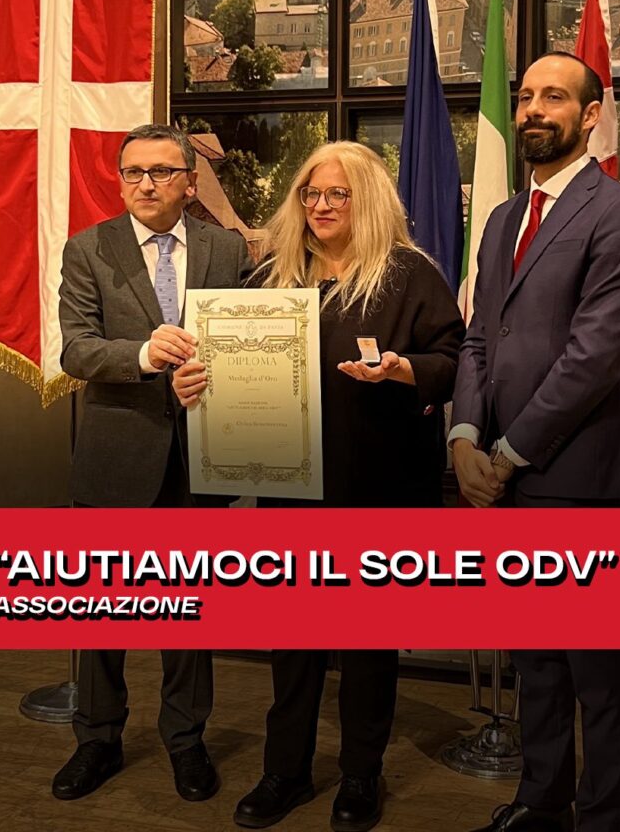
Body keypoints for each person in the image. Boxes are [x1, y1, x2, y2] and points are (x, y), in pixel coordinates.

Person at [173, 141, 465, 831]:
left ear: (369, 201)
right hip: (291, 488)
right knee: (293, 644)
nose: (321, 205)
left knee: (368, 646)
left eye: (338, 193)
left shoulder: (408, 274)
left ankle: (361, 775)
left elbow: (454, 359)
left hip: (380, 486)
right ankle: (285, 772)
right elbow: (224, 362)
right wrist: (194, 383)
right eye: (311, 193)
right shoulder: (271, 275)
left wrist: (402, 369)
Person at [450, 52, 620, 832]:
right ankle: (541, 804)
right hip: (495, 472)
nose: (534, 109)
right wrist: (463, 437)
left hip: (575, 479)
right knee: (533, 658)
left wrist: (505, 456)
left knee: (594, 672)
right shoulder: (503, 217)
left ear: (590, 114)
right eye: (526, 97)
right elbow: (480, 338)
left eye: (554, 97)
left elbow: (592, 358)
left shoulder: (619, 213)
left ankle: (599, 821)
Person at [52, 123, 252, 803]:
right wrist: (142, 355)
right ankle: (97, 738)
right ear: (119, 180)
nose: (146, 183)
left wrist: (222, 372)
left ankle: (186, 741)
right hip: (116, 457)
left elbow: (248, 340)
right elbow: (76, 349)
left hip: (201, 457)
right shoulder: (89, 248)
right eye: (133, 172)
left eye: (162, 172)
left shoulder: (227, 250)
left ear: (189, 183)